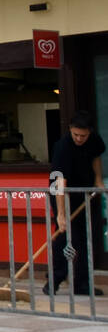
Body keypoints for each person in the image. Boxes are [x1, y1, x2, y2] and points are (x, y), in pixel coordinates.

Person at [46, 111, 105, 296]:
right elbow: (59, 182)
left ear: (89, 132)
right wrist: (61, 214)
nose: (79, 139)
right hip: (62, 193)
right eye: (76, 135)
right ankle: (54, 280)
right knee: (66, 236)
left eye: (83, 136)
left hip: (86, 193)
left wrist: (97, 180)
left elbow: (96, 156)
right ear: (70, 130)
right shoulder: (62, 147)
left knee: (88, 237)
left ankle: (82, 284)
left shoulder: (94, 140)